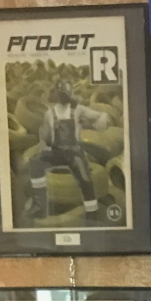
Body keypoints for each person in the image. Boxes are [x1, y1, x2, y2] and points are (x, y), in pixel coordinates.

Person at [24, 80, 108, 224]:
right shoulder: (49, 113)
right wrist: (44, 145)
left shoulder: (78, 110)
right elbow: (44, 134)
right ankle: (39, 207)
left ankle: (92, 213)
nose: (63, 96)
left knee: (86, 179)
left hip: (74, 153)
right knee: (35, 162)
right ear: (56, 94)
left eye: (65, 92)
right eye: (61, 92)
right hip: (56, 153)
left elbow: (100, 116)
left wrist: (100, 122)